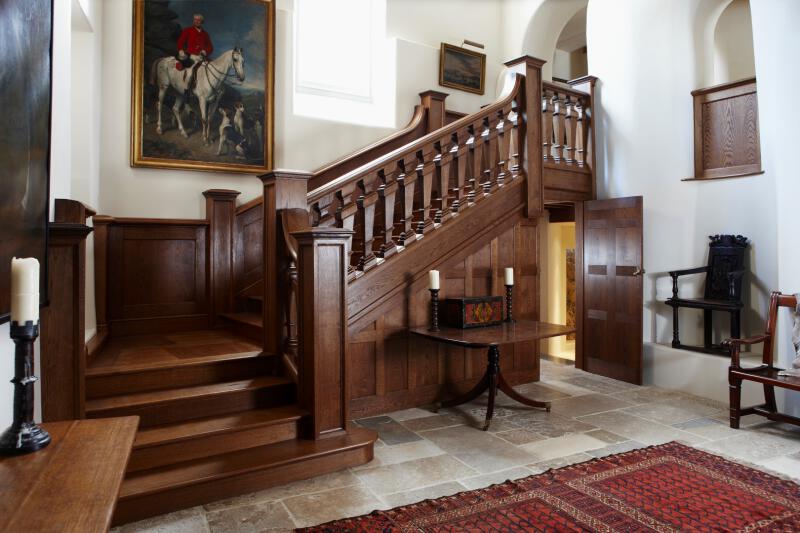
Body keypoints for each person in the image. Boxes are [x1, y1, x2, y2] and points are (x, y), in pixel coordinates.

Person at [176, 13, 213, 94]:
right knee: (190, 73)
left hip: (202, 58)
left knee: (211, 70)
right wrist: (181, 50)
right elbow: (180, 42)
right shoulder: (188, 30)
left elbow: (210, 47)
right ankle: (186, 91)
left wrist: (205, 51)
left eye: (198, 20)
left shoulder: (205, 34)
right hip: (190, 56)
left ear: (202, 22)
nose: (196, 21)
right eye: (195, 19)